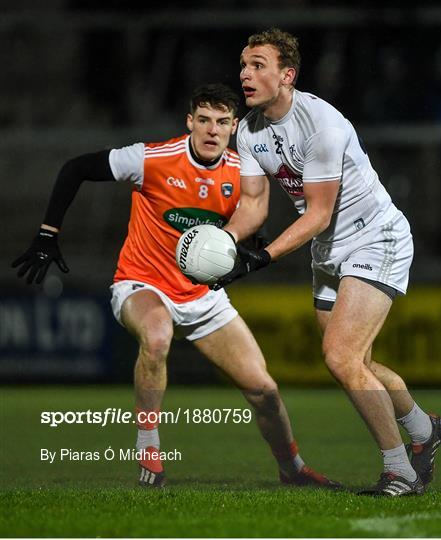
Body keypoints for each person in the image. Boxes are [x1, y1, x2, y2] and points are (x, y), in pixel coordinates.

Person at [12, 83, 341, 490]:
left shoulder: (244, 171)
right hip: (141, 284)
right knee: (156, 336)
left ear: (234, 127)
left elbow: (252, 225)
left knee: (265, 391)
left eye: (222, 122)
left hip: (203, 297)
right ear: (190, 121)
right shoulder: (152, 159)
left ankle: (292, 469)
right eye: (203, 120)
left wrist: (246, 248)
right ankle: (148, 450)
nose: (211, 131)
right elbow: (76, 168)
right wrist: (48, 234)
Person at [215, 29, 441, 496]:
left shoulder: (321, 123)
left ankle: (400, 471)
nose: (245, 73)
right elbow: (254, 204)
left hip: (373, 238)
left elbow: (319, 212)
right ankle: (424, 430)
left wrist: (262, 256)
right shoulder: (248, 130)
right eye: (243, 64)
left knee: (342, 357)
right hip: (328, 248)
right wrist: (222, 245)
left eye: (258, 64)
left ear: (287, 75)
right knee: (354, 359)